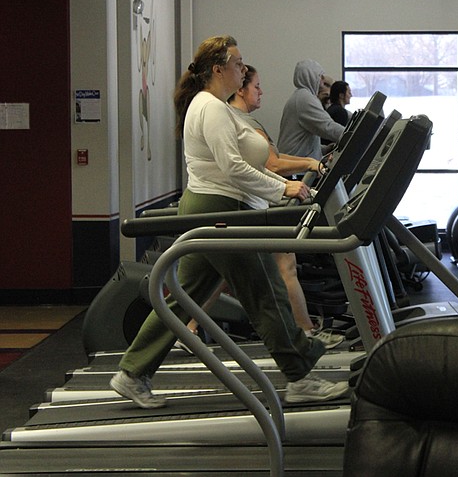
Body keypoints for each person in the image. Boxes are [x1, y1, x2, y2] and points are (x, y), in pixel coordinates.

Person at [110, 35, 348, 409]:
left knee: (184, 298)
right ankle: (300, 376)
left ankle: (132, 372)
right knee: (265, 290)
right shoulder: (211, 108)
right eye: (238, 63)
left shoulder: (215, 106)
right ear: (219, 69)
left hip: (212, 207)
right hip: (221, 209)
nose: (243, 68)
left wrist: (278, 187)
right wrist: (283, 188)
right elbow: (233, 168)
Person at [228, 64, 344, 349]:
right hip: (258, 199)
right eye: (256, 86)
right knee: (283, 265)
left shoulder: (245, 120)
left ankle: (303, 331)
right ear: (240, 89)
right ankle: (304, 332)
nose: (262, 91)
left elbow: (270, 161)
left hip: (264, 196)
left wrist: (314, 159)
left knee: (231, 270)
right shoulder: (241, 121)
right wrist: (307, 165)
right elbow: (272, 164)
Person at [278, 60, 345, 160]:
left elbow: (303, 141)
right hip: (296, 170)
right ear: (310, 77)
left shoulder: (301, 96)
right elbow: (327, 127)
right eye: (320, 76)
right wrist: (354, 135)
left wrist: (324, 149)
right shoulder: (305, 98)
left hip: (294, 165)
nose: (323, 81)